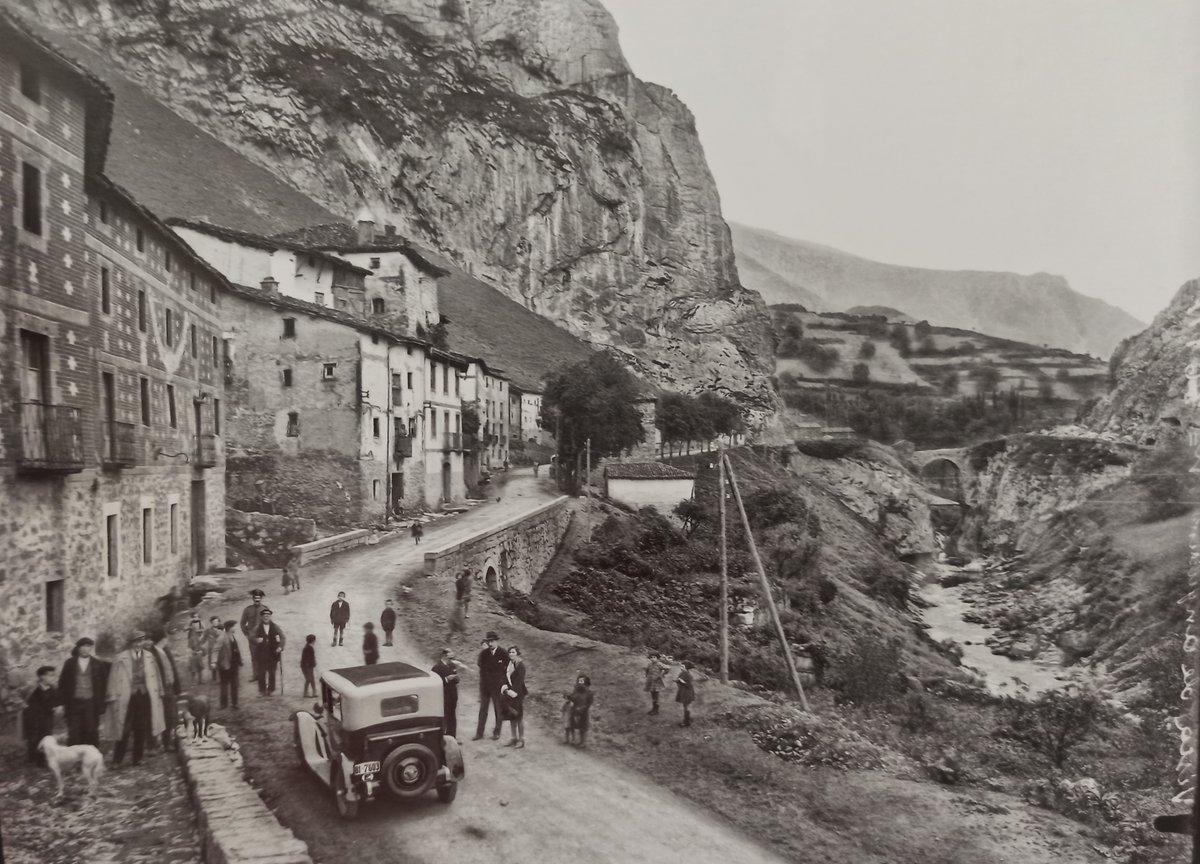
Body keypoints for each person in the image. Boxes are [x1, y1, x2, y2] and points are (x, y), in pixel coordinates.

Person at [107, 631, 167, 767]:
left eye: (141, 641)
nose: (138, 644)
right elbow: (112, 678)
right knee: (124, 727)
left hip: (145, 695)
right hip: (126, 696)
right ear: (130, 644)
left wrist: (160, 691)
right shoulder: (120, 658)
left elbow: (157, 675)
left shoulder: (149, 657)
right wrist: (111, 695)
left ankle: (137, 758)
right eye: (136, 642)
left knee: (141, 727)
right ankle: (117, 760)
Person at [58, 636, 109, 746]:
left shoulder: (97, 664)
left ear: (91, 648)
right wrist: (61, 703)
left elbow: (104, 685)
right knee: (74, 730)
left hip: (91, 702)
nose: (86, 649)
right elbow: (62, 683)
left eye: (88, 647)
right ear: (78, 648)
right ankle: (73, 757)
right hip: (74, 702)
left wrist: (102, 703)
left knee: (91, 729)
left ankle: (91, 756)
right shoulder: (69, 663)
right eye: (83, 647)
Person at [148, 629, 181, 752]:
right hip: (159, 690)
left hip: (169, 688)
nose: (167, 640)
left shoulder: (165, 650)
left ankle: (167, 743)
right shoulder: (151, 654)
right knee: (156, 717)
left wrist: (176, 687)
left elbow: (173, 669)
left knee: (170, 716)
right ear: (162, 639)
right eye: (166, 638)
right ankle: (153, 744)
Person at [474, 631, 509, 741]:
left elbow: (507, 669)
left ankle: (497, 732)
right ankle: (479, 733)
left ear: (497, 641)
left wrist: (503, 682)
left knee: (498, 710)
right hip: (485, 686)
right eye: (489, 641)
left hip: (497, 686)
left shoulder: (503, 653)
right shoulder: (484, 653)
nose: (490, 644)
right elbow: (480, 665)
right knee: (483, 710)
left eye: (492, 641)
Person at [23, 666, 59, 765]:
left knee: (46, 737)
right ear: (42, 677)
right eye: (50, 676)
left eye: (54, 675)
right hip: (33, 718)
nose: (53, 678)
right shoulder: (32, 689)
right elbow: (23, 697)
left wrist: (55, 706)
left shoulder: (53, 689)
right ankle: (32, 759)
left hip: (47, 718)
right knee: (33, 738)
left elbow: (56, 700)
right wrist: (25, 706)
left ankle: (42, 759)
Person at [432, 648, 467, 739]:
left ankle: (452, 738)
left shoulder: (452, 665)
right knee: (444, 717)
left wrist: (456, 678)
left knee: (452, 717)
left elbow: (457, 679)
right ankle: (442, 738)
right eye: (449, 657)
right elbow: (434, 683)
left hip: (453, 696)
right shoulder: (436, 668)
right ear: (444, 656)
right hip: (443, 697)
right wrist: (446, 679)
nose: (451, 659)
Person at [252, 609, 286, 695]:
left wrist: (280, 647)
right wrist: (256, 640)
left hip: (272, 654)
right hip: (261, 655)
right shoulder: (257, 627)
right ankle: (262, 690)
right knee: (261, 673)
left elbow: (282, 637)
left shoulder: (275, 627)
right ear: (261, 617)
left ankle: (271, 689)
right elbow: (251, 637)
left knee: (272, 673)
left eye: (268, 616)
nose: (266, 617)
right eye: (264, 616)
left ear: (270, 617)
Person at [501, 646, 527, 749]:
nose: (511, 654)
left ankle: (521, 739)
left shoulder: (521, 666)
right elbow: (504, 677)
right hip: (509, 692)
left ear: (517, 654)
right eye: (510, 652)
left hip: (519, 693)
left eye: (513, 652)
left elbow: (519, 682)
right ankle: (513, 738)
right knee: (512, 716)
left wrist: (512, 692)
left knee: (518, 716)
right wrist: (505, 688)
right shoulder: (509, 665)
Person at [240, 589, 267, 682]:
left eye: (259, 598)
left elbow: (269, 623)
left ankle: (262, 675)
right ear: (253, 598)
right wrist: (247, 634)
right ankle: (256, 675)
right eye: (255, 598)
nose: (257, 600)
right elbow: (242, 623)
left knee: (263, 656)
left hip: (262, 637)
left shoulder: (265, 609)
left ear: (261, 598)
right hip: (252, 637)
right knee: (254, 657)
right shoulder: (248, 610)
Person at [215, 621, 242, 709]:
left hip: (234, 665)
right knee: (224, 685)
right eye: (234, 627)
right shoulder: (222, 637)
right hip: (225, 665)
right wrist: (213, 662)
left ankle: (235, 704)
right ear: (230, 628)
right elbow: (215, 650)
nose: (235, 628)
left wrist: (239, 660)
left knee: (234, 685)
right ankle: (223, 704)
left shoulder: (233, 636)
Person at [563, 674, 594, 747]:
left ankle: (583, 742)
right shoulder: (576, 691)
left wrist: (583, 708)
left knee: (583, 727)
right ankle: (574, 740)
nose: (580, 684)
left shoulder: (589, 693)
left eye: (582, 682)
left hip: (583, 712)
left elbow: (589, 703)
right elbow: (572, 698)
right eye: (579, 682)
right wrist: (567, 696)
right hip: (575, 710)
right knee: (573, 725)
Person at [644, 652, 667, 716]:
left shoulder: (659, 664)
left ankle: (656, 710)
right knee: (652, 695)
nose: (652, 659)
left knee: (656, 696)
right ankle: (653, 709)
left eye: (654, 657)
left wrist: (662, 674)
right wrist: (646, 674)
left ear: (657, 658)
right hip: (651, 682)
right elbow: (647, 669)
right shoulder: (650, 664)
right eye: (651, 657)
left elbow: (667, 668)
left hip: (656, 682)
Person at [186, 615, 207, 684]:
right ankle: (193, 681)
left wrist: (202, 651)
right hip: (193, 655)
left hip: (199, 654)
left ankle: (200, 681)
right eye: (194, 630)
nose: (196, 631)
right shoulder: (191, 639)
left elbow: (202, 645)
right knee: (193, 669)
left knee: (200, 668)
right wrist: (193, 652)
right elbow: (189, 648)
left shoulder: (200, 637)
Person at [675, 661, 696, 727]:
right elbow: (679, 680)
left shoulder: (689, 675)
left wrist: (683, 682)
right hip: (682, 691)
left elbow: (689, 686)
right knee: (685, 706)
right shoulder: (681, 673)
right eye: (681, 666)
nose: (681, 668)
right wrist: (677, 681)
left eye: (682, 667)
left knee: (686, 706)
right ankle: (688, 718)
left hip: (687, 692)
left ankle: (686, 722)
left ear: (687, 668)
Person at [204, 616, 224, 682]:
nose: (216, 623)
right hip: (212, 649)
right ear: (211, 623)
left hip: (220, 648)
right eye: (214, 622)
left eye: (217, 621)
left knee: (221, 662)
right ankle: (214, 678)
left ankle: (222, 677)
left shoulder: (222, 629)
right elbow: (204, 639)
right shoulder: (208, 630)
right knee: (213, 663)